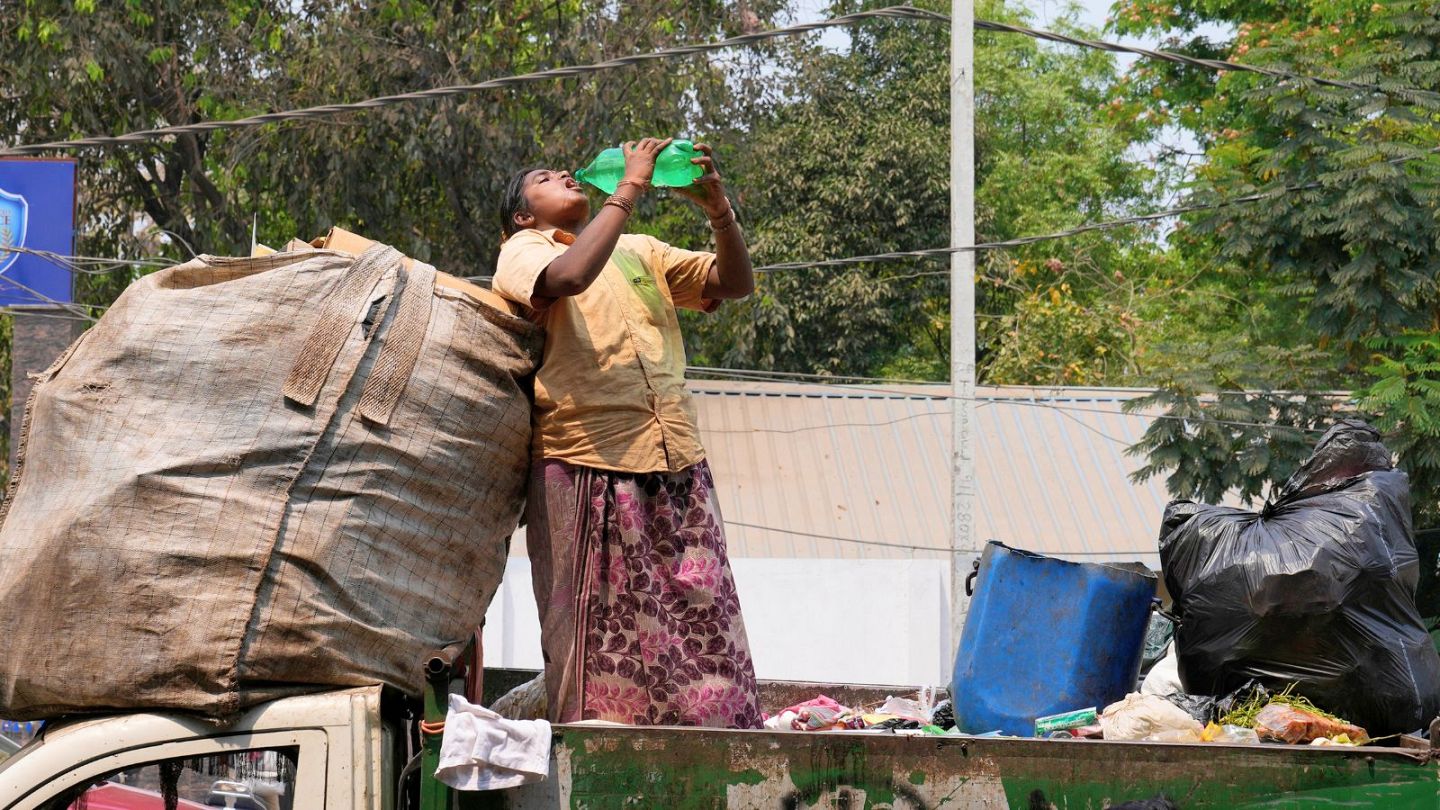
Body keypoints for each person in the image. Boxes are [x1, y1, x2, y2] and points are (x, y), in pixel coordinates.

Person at [492, 137, 762, 728]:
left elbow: (734, 282)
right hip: (586, 460)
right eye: (544, 176)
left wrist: (718, 209)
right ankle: (605, 758)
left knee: (701, 617)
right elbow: (568, 276)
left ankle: (711, 750)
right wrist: (631, 186)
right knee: (600, 632)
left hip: (675, 460)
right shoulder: (523, 250)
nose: (564, 171)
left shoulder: (640, 250)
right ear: (521, 214)